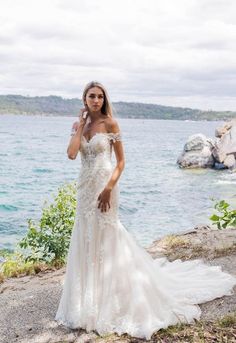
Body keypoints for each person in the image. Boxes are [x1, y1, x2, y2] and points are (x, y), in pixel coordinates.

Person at [55, 81, 236, 340]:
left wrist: (108, 189)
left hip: (105, 186)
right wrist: (79, 124)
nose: (95, 100)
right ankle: (86, 301)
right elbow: (72, 154)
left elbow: (121, 162)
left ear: (104, 99)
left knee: (108, 234)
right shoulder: (79, 126)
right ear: (84, 99)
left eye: (99, 96)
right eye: (91, 96)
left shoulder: (111, 124)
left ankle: (114, 296)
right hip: (84, 188)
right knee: (85, 234)